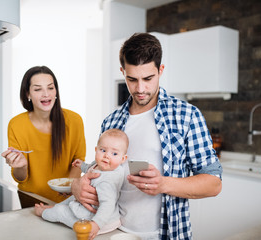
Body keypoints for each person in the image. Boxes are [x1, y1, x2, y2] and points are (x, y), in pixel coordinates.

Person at [71, 33, 223, 240]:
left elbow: (213, 183)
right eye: (131, 79)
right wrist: (78, 185)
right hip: (112, 231)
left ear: (160, 70)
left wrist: (163, 184)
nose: (140, 89)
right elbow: (103, 172)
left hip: (164, 233)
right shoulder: (111, 121)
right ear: (122, 72)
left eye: (148, 79)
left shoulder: (186, 116)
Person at [1, 66, 86, 203]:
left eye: (50, 88)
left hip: (66, 200)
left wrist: (70, 186)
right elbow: (20, 177)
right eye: (37, 89)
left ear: (56, 91)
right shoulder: (16, 124)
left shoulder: (74, 120)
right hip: (30, 200)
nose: (46, 94)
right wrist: (21, 166)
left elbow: (78, 160)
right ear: (27, 94)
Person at [35, 128, 128, 239]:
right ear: (96, 149)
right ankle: (54, 207)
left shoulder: (107, 182)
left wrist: (96, 224)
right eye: (103, 150)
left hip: (98, 220)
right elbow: (91, 168)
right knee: (72, 198)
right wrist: (82, 165)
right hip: (94, 212)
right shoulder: (100, 165)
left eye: (114, 153)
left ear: (123, 159)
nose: (107, 156)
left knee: (61, 212)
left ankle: (43, 213)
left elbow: (107, 205)